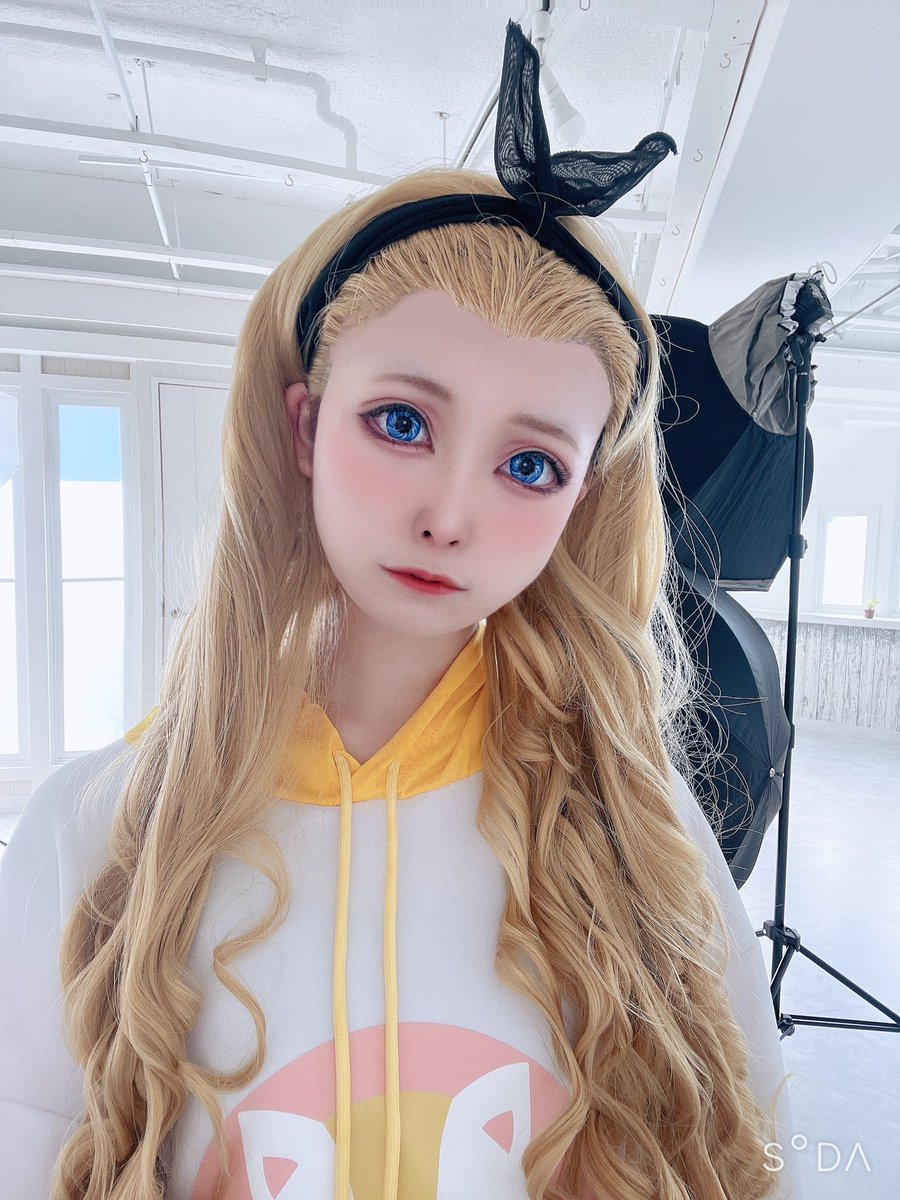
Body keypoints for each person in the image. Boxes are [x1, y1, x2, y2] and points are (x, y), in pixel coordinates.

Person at [0, 19, 801, 1200]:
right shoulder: (96, 828)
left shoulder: (641, 835)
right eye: (403, 423)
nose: (450, 515)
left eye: (529, 466)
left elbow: (749, 1143)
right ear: (305, 427)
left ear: (580, 503)